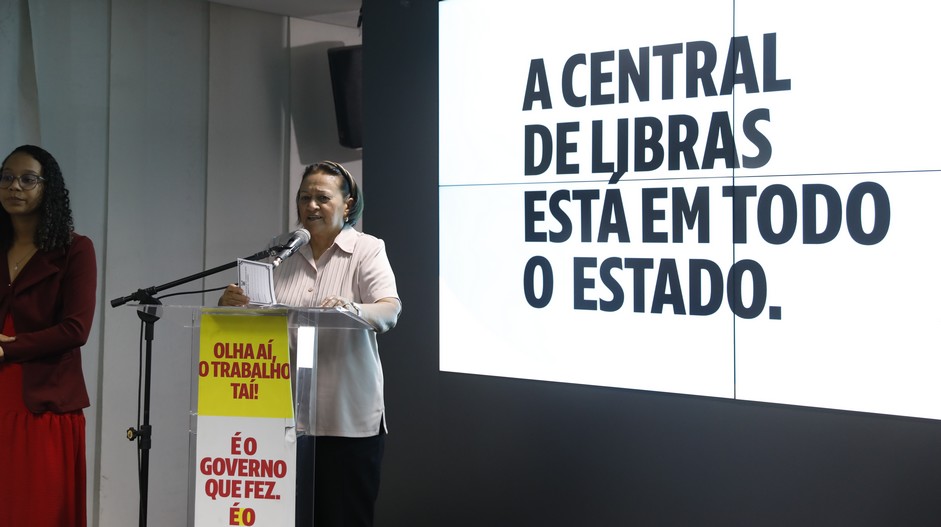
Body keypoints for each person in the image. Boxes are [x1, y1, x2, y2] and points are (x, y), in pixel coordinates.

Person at [219, 160, 402, 527]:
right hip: (283, 419)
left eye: (322, 198)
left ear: (348, 204)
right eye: (304, 198)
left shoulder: (366, 249)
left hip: (345, 422)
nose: (311, 206)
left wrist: (351, 309)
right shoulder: (281, 251)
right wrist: (230, 306)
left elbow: (389, 310)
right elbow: (257, 318)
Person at [0, 145, 98, 527]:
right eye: (7, 177)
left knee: (35, 510)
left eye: (28, 179)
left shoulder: (75, 250)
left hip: (43, 402)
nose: (14, 187)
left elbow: (76, 328)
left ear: (48, 187)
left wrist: (9, 350)